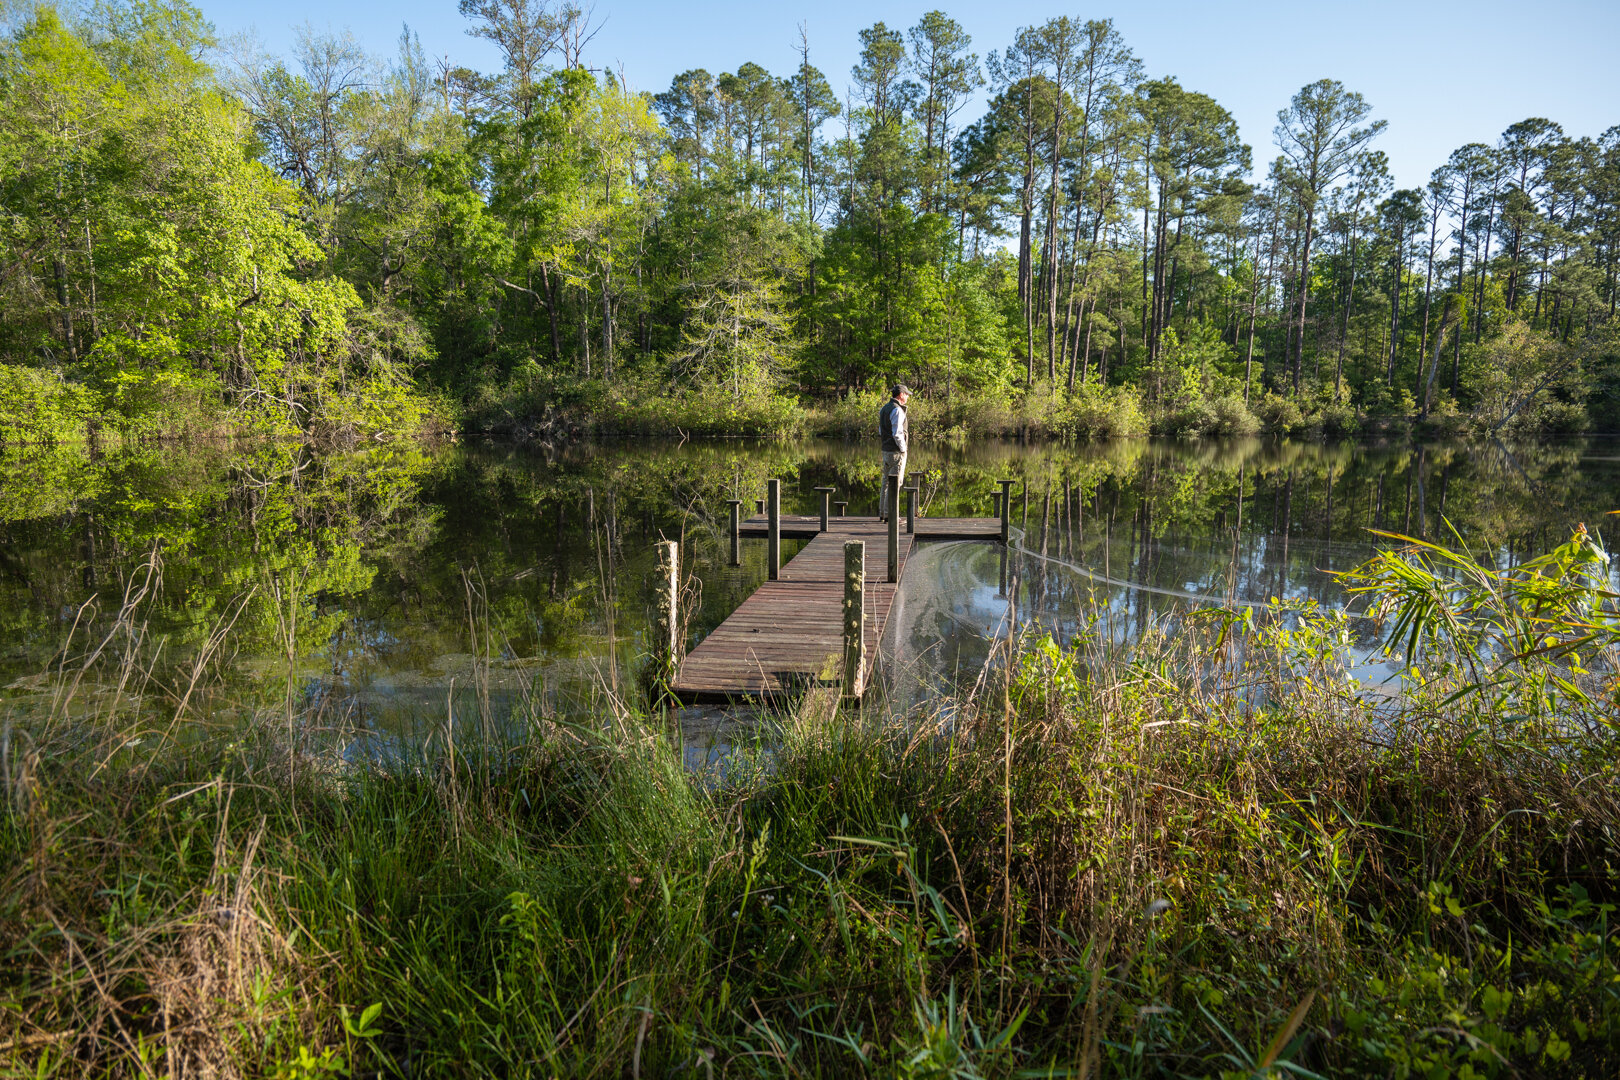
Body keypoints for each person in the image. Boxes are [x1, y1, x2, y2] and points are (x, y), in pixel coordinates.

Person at [878, 384, 911, 522]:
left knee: (886, 482)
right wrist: (903, 450)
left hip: (886, 450)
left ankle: (884, 513)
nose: (908, 396)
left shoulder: (884, 408)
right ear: (901, 395)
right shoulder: (897, 410)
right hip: (896, 452)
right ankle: (891, 516)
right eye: (907, 394)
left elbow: (881, 430)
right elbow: (897, 433)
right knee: (895, 483)